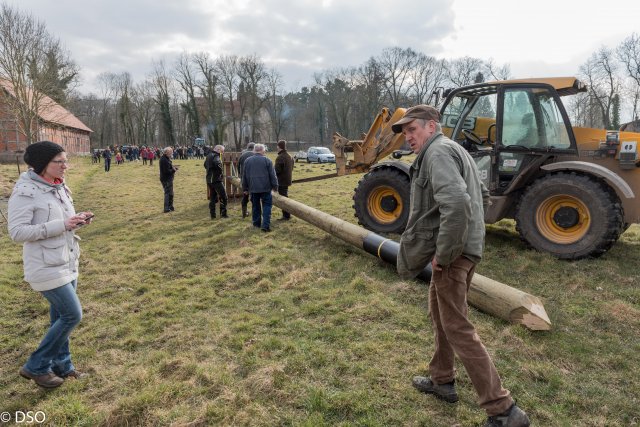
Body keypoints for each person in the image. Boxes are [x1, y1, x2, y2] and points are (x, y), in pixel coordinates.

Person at [391, 105, 530, 427]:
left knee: (457, 327)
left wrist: (449, 251)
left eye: (412, 129)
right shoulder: (454, 149)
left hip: (453, 256)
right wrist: (469, 241)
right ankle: (442, 379)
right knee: (441, 316)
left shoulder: (438, 153)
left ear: (431, 126)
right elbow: (481, 195)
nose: (408, 137)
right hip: (464, 250)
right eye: (405, 132)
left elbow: (456, 202)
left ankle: (503, 410)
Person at [7, 141, 93, 389]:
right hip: (44, 266)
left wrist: (77, 220)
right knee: (72, 314)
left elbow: (62, 220)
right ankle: (36, 366)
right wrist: (62, 225)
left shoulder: (58, 186)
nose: (66, 165)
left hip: (66, 260)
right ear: (43, 164)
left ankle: (63, 367)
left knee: (59, 317)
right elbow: (17, 232)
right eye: (60, 161)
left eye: (66, 160)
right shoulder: (26, 192)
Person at [242, 143, 278, 232]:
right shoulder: (267, 160)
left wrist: (245, 189)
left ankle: (256, 224)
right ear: (263, 150)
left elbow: (244, 176)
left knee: (255, 206)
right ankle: (265, 226)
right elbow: (273, 175)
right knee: (267, 206)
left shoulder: (247, 161)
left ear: (254, 150)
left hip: (253, 188)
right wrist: (275, 186)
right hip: (265, 188)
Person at [204, 144, 228, 219]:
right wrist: (220, 173)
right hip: (216, 180)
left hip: (209, 180)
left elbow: (205, 165)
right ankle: (223, 214)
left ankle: (213, 215)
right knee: (224, 197)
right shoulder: (216, 156)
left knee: (212, 198)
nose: (223, 153)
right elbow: (218, 164)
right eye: (222, 151)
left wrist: (210, 170)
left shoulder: (208, 155)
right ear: (218, 150)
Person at [274, 139, 294, 221]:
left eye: (277, 146)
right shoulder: (290, 156)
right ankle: (287, 214)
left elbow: (276, 171)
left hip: (281, 181)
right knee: (285, 197)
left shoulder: (280, 157)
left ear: (279, 147)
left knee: (283, 199)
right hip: (287, 180)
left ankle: (286, 216)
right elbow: (291, 168)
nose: (277, 148)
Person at [237, 142, 255, 218]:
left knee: (245, 196)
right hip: (253, 179)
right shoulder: (255, 154)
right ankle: (255, 213)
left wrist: (240, 175)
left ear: (248, 147)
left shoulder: (242, 155)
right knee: (254, 197)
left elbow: (238, 166)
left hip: (244, 179)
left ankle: (244, 214)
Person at [159, 147, 178, 213]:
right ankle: (166, 208)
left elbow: (168, 167)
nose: (172, 153)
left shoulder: (166, 158)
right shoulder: (164, 160)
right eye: (171, 152)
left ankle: (170, 207)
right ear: (167, 152)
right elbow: (166, 171)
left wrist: (173, 167)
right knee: (168, 193)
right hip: (166, 179)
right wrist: (174, 169)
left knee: (170, 193)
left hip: (167, 178)